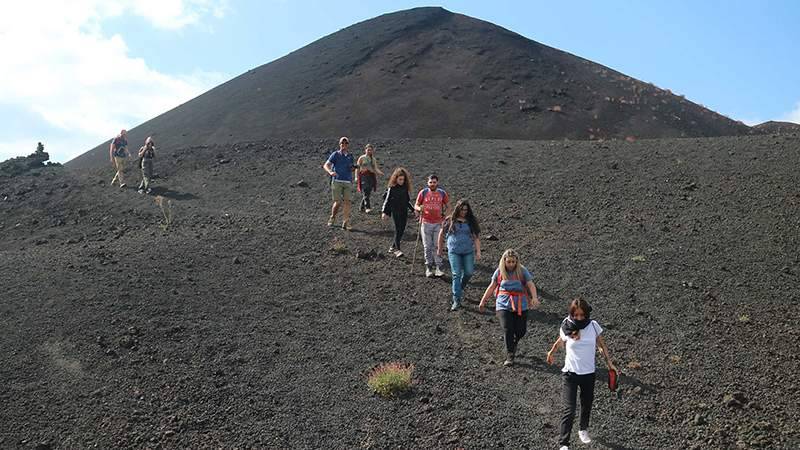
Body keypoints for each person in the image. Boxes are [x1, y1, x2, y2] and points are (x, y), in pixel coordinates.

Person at [546, 298, 618, 450]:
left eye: (582, 315)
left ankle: (583, 430)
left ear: (587, 313)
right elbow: (561, 340)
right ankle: (564, 443)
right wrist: (551, 352)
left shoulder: (593, 326)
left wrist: (609, 363)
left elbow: (601, 345)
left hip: (588, 374)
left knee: (586, 404)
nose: (579, 318)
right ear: (571, 313)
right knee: (569, 409)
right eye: (576, 315)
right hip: (570, 374)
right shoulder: (566, 325)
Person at [479, 249, 540, 366]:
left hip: (520, 303)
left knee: (521, 331)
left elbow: (530, 284)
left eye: (513, 262)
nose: (511, 264)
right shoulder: (499, 272)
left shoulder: (522, 271)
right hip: (503, 303)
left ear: (517, 261)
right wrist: (483, 301)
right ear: (504, 261)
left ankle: (514, 342)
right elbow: (492, 287)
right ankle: (510, 354)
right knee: (508, 328)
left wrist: (534, 297)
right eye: (509, 262)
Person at [437, 199, 480, 310]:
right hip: (454, 251)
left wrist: (478, 251)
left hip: (467, 251)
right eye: (462, 210)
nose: (463, 212)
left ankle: (460, 287)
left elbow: (476, 237)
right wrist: (440, 249)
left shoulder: (471, 221)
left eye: (465, 210)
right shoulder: (450, 220)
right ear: (458, 209)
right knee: (456, 274)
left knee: (469, 272)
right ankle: (456, 299)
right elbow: (441, 234)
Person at [415, 174, 449, 277]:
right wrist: (419, 209)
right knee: (427, 246)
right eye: (430, 182)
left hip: (438, 223)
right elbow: (416, 205)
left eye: (434, 182)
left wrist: (446, 217)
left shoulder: (442, 193)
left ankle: (438, 267)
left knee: (437, 246)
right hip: (425, 222)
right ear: (427, 183)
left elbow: (448, 206)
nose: (432, 184)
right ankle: (428, 267)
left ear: (437, 183)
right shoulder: (423, 192)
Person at [322, 136, 356, 230]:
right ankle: (332, 217)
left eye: (345, 143)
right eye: (342, 143)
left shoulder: (350, 156)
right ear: (339, 144)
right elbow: (326, 165)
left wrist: (353, 168)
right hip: (337, 181)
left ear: (348, 145)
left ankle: (346, 221)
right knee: (338, 202)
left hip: (347, 181)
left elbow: (351, 168)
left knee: (347, 202)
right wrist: (330, 172)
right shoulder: (335, 154)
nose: (344, 145)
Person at [381, 168, 415, 257]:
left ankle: (392, 247)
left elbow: (407, 201)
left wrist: (413, 209)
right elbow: (387, 201)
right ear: (395, 178)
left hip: (404, 210)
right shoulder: (391, 188)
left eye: (403, 179)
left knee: (402, 230)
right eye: (400, 179)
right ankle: (397, 249)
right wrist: (384, 212)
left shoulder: (405, 188)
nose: (402, 181)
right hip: (395, 211)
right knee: (398, 229)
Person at [356, 144, 384, 213]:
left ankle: (361, 207)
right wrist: (356, 177)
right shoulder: (361, 158)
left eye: (370, 150)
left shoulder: (373, 159)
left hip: (371, 176)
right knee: (365, 190)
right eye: (368, 150)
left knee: (368, 191)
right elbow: (357, 168)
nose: (369, 151)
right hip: (363, 176)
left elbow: (375, 168)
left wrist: (380, 173)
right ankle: (367, 207)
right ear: (365, 150)